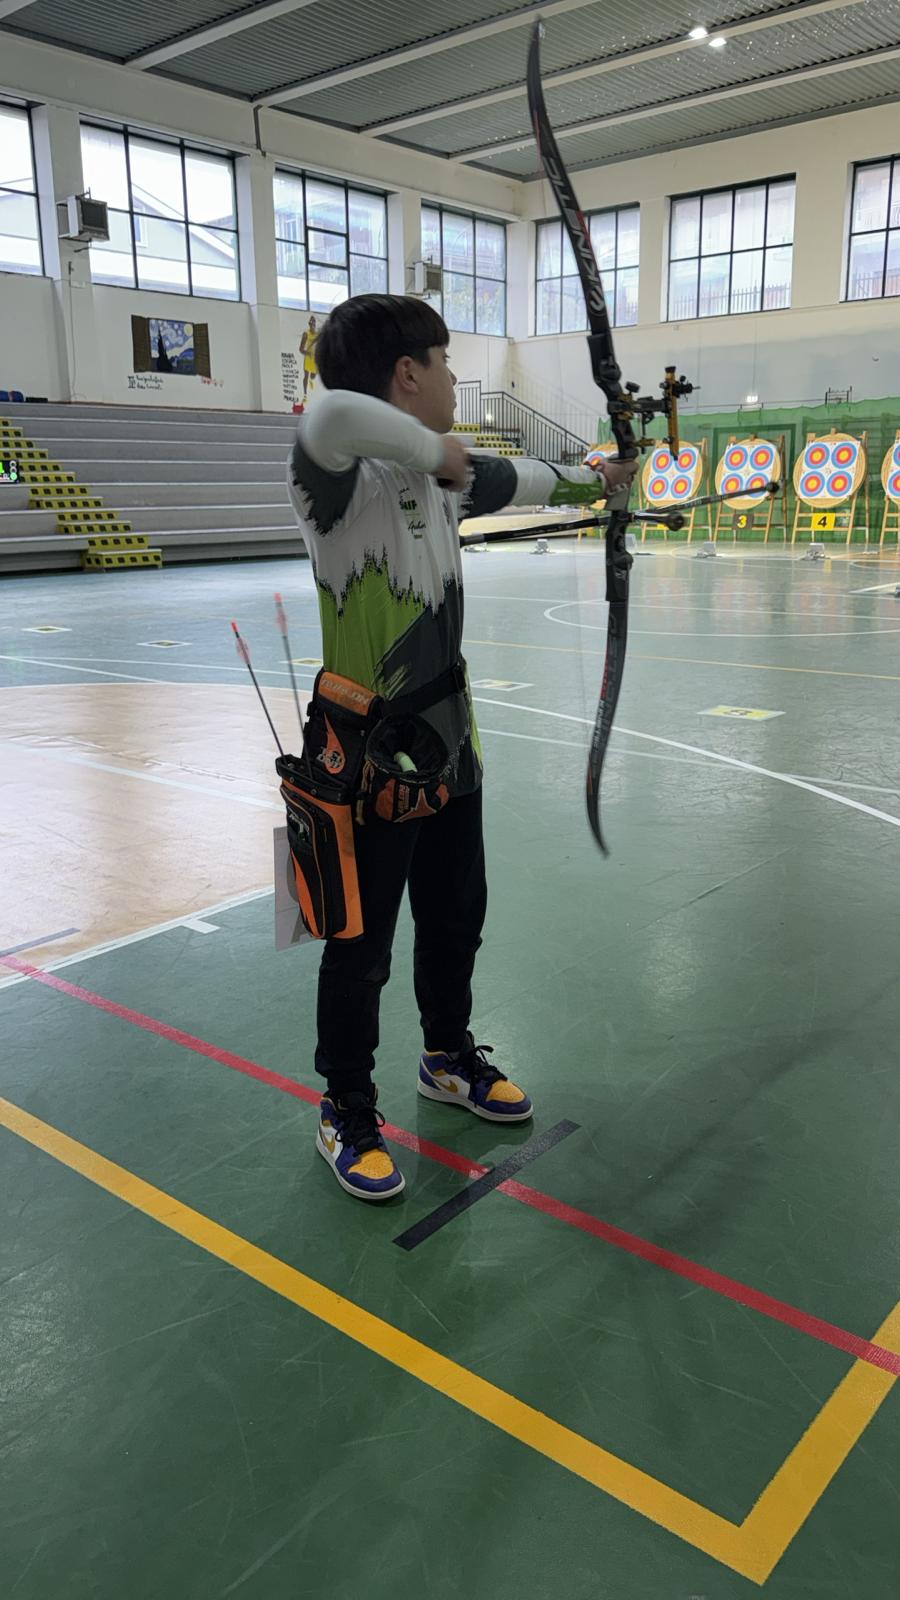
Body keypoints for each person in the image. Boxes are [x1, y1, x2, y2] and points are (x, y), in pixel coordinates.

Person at [287, 293, 637, 1203]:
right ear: (407, 374)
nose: (453, 380)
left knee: (455, 915)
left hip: (449, 736)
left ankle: (446, 1055)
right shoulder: (333, 477)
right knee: (360, 943)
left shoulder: (436, 473)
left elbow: (514, 480)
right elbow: (329, 413)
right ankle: (345, 1106)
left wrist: (599, 477)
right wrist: (440, 452)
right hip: (367, 751)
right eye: (443, 363)